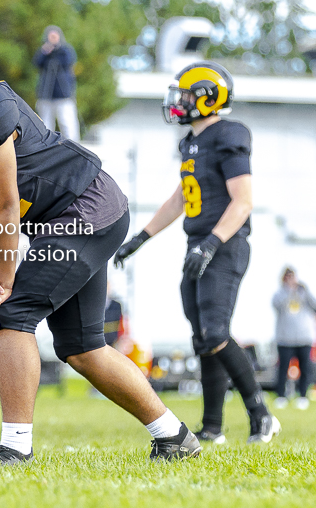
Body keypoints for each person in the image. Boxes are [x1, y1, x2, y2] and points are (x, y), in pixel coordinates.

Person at [0, 18, 200, 463]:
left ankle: (15, 449)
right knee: (81, 348)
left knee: (13, 313)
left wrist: (3, 284)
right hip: (56, 221)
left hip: (88, 208)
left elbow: (4, 206)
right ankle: (174, 436)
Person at [114, 61, 279, 445]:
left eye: (187, 95)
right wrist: (141, 237)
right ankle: (213, 427)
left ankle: (262, 415)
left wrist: (212, 243)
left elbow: (243, 201)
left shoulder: (229, 134)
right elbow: (181, 197)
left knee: (216, 331)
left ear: (208, 97)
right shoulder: (190, 141)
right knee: (201, 338)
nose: (179, 102)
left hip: (224, 243)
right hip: (199, 243)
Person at [272, 267, 316, 410]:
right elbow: (276, 305)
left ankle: (303, 395)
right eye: (288, 276)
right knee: (283, 368)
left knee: (305, 368)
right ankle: (281, 396)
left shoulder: (303, 292)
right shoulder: (280, 293)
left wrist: (305, 289)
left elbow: (314, 305)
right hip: (285, 338)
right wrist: (289, 290)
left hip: (303, 337)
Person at [33, 25, 80, 141]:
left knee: (67, 124)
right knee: (45, 125)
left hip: (63, 95)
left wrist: (56, 50)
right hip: (46, 95)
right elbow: (36, 63)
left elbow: (68, 61)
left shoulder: (65, 50)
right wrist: (45, 51)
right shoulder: (44, 52)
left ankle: (73, 148)